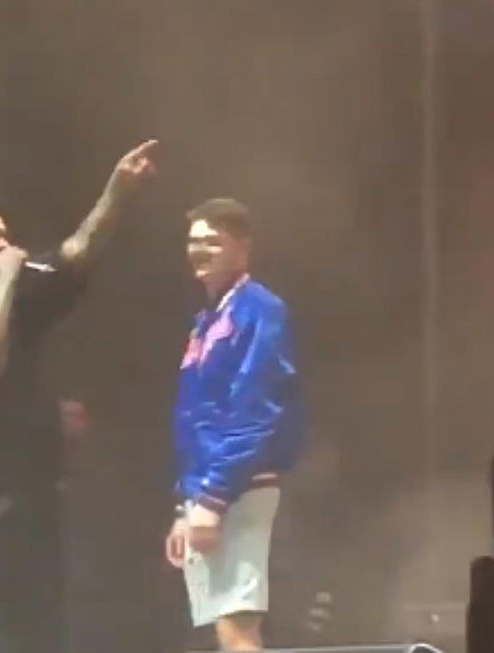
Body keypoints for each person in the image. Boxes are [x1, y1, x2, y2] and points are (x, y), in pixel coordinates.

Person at [0, 140, 157, 653]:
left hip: (32, 498)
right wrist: (7, 281)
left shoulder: (19, 292)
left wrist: (117, 191)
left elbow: (78, 252)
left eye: (5, 234)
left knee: (40, 631)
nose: (4, 245)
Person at [165, 198, 305, 651]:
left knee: (236, 623)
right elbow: (197, 418)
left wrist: (212, 497)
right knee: (221, 622)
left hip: (239, 485)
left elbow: (255, 407)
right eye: (193, 241)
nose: (199, 251)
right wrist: (186, 505)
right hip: (211, 486)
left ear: (242, 248)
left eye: (212, 241)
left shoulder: (259, 310)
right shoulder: (208, 319)